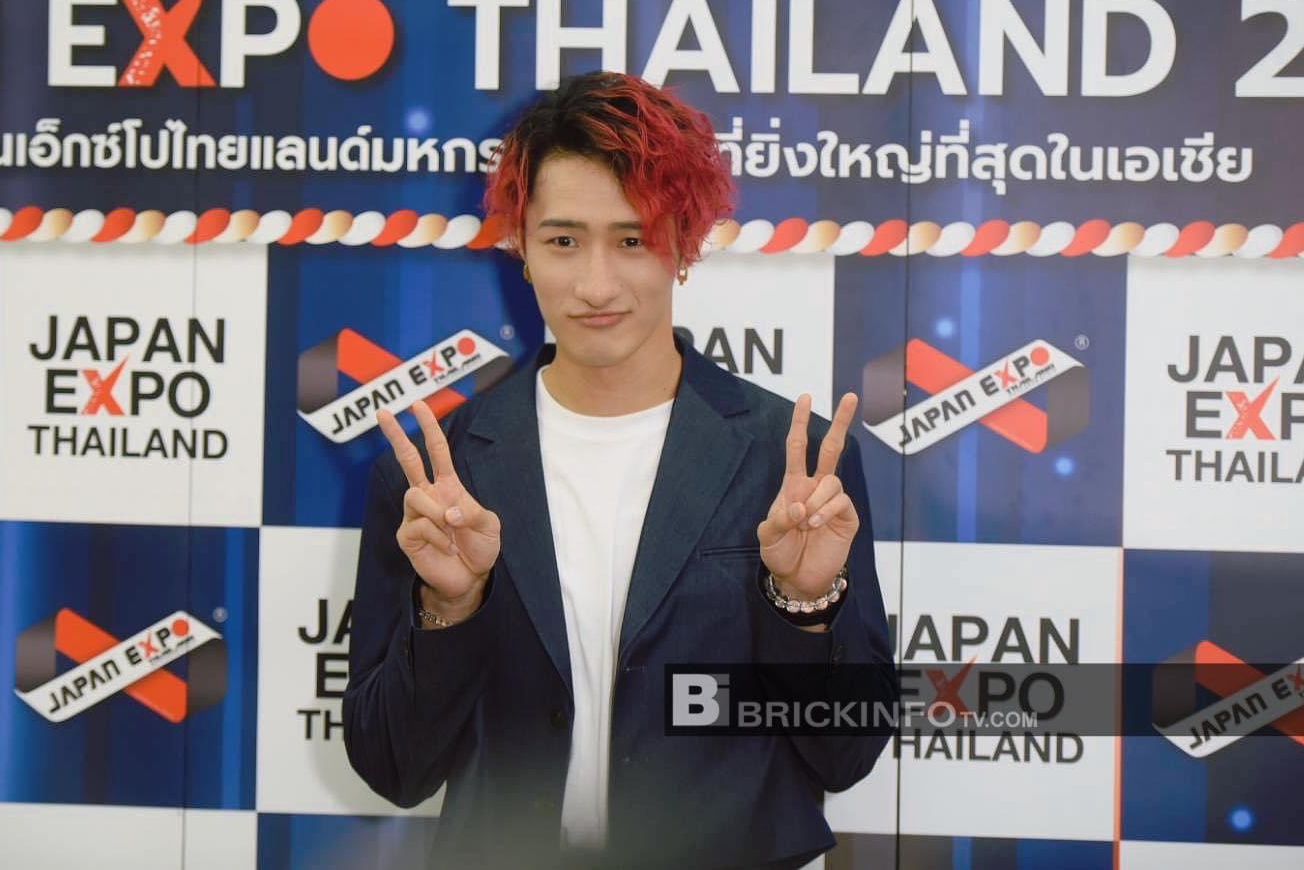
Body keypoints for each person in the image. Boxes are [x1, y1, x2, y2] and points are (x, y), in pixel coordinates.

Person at [342, 71, 897, 870]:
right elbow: (393, 767)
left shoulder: (792, 461)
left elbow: (846, 754)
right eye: (562, 240)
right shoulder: (439, 476)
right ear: (520, 248)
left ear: (684, 246)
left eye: (632, 239)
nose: (595, 284)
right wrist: (450, 607)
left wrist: (804, 604)